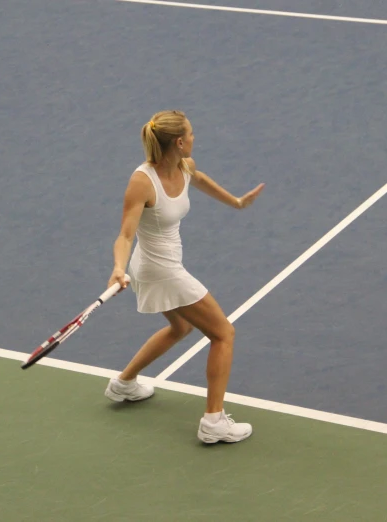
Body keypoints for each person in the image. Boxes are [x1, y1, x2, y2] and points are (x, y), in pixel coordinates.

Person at [104, 110, 265, 444]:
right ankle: (213, 422)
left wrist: (236, 202)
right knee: (223, 334)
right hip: (161, 270)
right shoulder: (142, 181)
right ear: (179, 141)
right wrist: (117, 268)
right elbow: (125, 234)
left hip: (157, 266)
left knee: (180, 327)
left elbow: (200, 180)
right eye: (191, 134)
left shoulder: (184, 167)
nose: (194, 138)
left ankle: (124, 384)